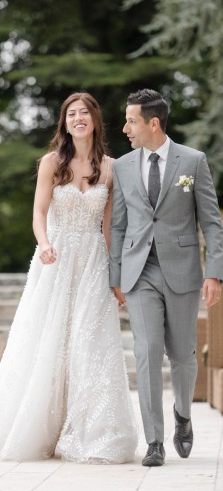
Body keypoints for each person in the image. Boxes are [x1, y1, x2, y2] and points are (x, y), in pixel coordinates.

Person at [0, 92, 137, 464]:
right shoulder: (51, 163)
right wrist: (44, 243)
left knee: (89, 342)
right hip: (56, 260)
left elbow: (110, 226)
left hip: (94, 260)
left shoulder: (111, 168)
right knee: (48, 341)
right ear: (64, 122)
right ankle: (39, 429)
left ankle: (93, 430)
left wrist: (116, 276)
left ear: (95, 120)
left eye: (84, 113)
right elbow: (38, 213)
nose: (78, 119)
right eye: (71, 114)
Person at [109, 89, 223, 467]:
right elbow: (119, 225)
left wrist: (215, 274)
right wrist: (116, 276)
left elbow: (211, 221)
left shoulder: (193, 161)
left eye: (131, 121)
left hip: (183, 271)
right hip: (139, 272)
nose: (126, 128)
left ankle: (183, 416)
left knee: (184, 357)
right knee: (145, 353)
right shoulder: (123, 166)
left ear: (152, 123)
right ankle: (154, 441)